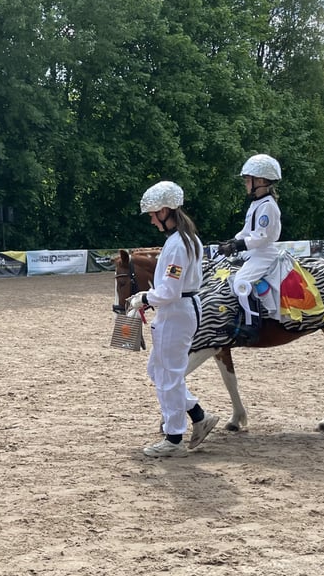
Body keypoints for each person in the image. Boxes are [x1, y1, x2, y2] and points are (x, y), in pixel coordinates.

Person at [127, 181, 219, 458]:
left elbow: (169, 290)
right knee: (158, 372)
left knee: (169, 376)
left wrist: (144, 297)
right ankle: (198, 414)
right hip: (178, 309)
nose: (152, 220)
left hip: (177, 312)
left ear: (165, 211)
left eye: (153, 215)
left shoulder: (178, 244)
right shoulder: (184, 239)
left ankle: (174, 438)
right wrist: (149, 296)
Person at [218, 154, 282, 343]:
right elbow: (246, 232)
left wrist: (237, 245)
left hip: (264, 252)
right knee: (229, 274)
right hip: (254, 251)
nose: (246, 184)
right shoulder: (257, 203)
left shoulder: (268, 206)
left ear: (260, 181)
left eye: (248, 180)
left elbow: (260, 237)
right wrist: (231, 242)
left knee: (241, 281)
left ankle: (252, 324)